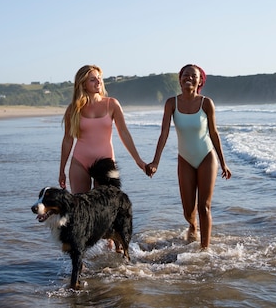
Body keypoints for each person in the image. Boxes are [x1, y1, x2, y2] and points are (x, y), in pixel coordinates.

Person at [147, 64, 231, 249]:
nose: (189, 78)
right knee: (187, 209)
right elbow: (164, 134)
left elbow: (214, 133)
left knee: (204, 206)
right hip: (185, 158)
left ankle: (205, 248)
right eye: (185, 75)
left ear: (200, 80)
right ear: (180, 79)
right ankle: (192, 225)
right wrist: (155, 161)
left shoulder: (206, 103)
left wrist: (224, 163)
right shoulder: (171, 103)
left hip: (206, 156)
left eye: (194, 76)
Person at [59, 65, 150, 194]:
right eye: (92, 80)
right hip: (80, 162)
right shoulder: (73, 109)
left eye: (99, 78)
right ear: (83, 84)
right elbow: (68, 140)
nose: (98, 82)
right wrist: (62, 170)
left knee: (105, 207)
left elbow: (124, 133)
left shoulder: (112, 104)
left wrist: (138, 161)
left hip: (106, 162)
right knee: (79, 208)